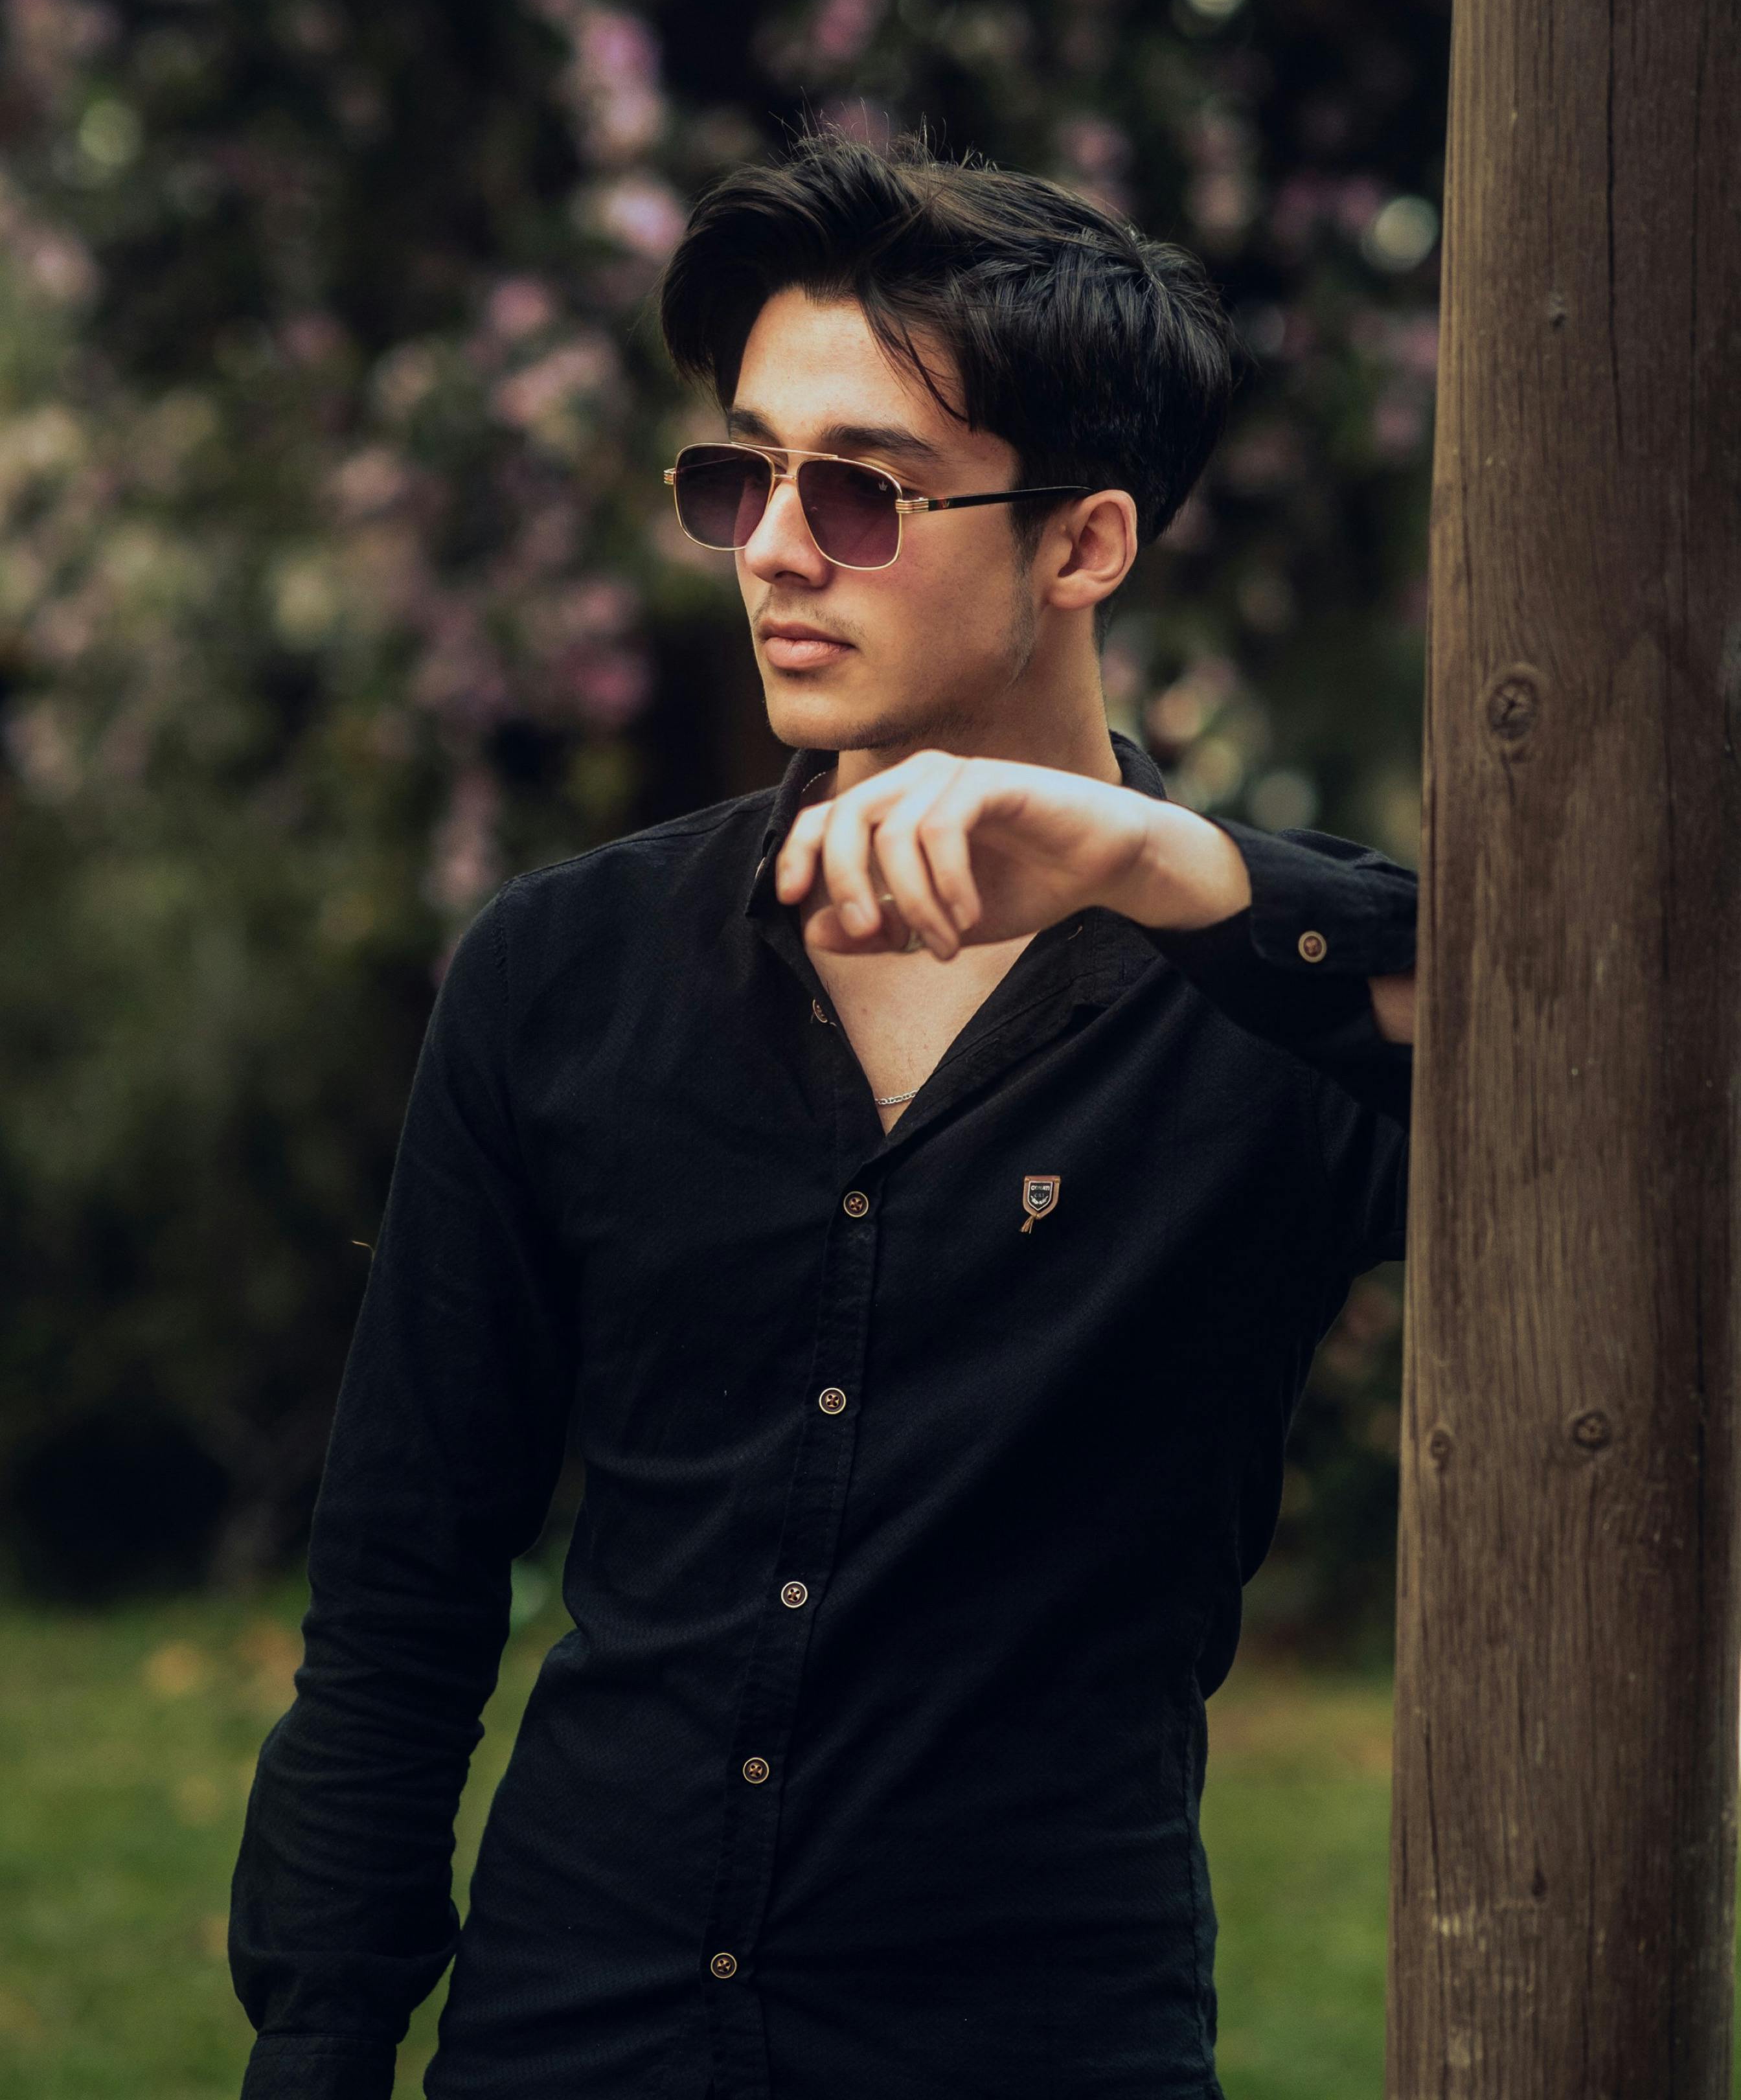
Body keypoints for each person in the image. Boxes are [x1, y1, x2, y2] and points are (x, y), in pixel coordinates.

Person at [229, 134, 1417, 2100]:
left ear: (1085, 544)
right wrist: (323, 2039)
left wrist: (1184, 876)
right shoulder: (561, 972)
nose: (774, 546)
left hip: (1027, 2045)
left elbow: (1613, 1071)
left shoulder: (1275, 1006)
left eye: (859, 489)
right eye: (741, 472)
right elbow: (404, 1583)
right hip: (572, 2035)